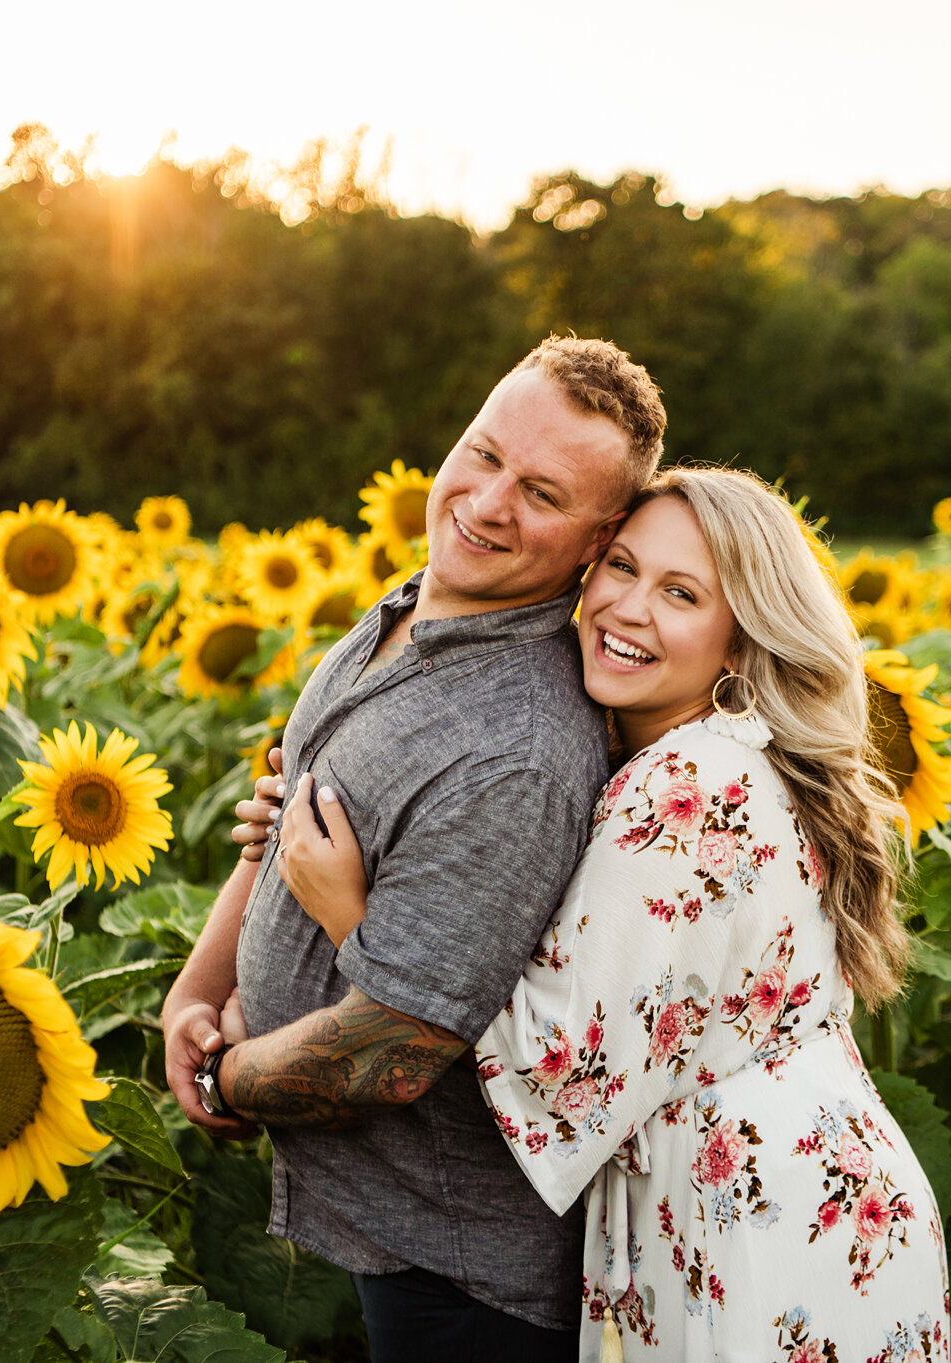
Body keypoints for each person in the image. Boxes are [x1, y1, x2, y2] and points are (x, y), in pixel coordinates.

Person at [264, 468, 951, 1361]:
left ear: (742, 642)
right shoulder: (729, 755)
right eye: (621, 567)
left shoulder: (684, 786)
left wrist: (351, 912)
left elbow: (567, 1071)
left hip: (750, 1218)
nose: (627, 607)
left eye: (681, 593)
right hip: (821, 1195)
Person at [159, 335, 668, 1360]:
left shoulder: (515, 751)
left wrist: (222, 1079)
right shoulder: (405, 607)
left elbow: (389, 1052)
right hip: (373, 1223)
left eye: (540, 491)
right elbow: (283, 822)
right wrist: (193, 992)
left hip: (458, 1278)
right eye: (481, 454)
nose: (484, 503)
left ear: (597, 540)